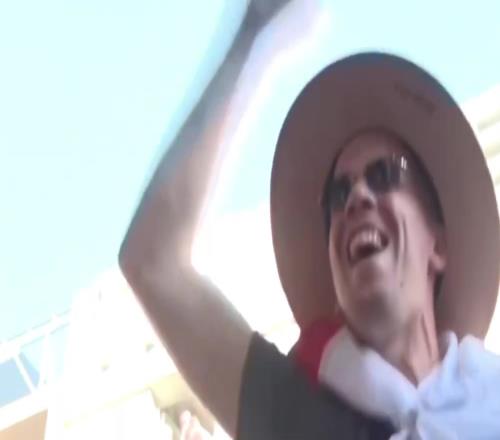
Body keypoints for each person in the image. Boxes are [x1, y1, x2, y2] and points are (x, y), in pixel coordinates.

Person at [119, 0, 500, 438]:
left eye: (384, 174)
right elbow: (153, 262)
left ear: (439, 246)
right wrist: (250, 40)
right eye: (338, 195)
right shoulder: (293, 415)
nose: (357, 197)